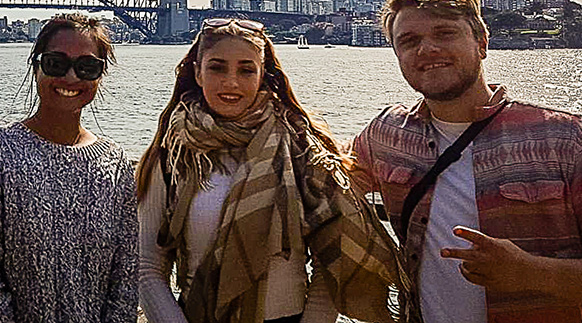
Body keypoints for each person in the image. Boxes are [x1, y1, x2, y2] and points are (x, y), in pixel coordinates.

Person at [351, 0, 582, 322]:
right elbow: (319, 176)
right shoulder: (386, 134)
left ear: (482, 43)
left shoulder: (568, 139)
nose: (427, 50)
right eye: (409, 41)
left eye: (444, 33)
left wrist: (528, 272)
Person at [137, 18, 402, 323]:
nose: (231, 82)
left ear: (264, 74)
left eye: (246, 70)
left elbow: (331, 262)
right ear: (197, 72)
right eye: (217, 67)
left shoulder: (301, 148)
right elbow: (148, 267)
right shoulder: (174, 153)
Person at [0, 13, 138, 323]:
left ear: (101, 76)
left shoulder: (116, 165)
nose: (72, 78)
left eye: (87, 67)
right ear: (36, 66)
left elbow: (126, 281)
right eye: (55, 64)